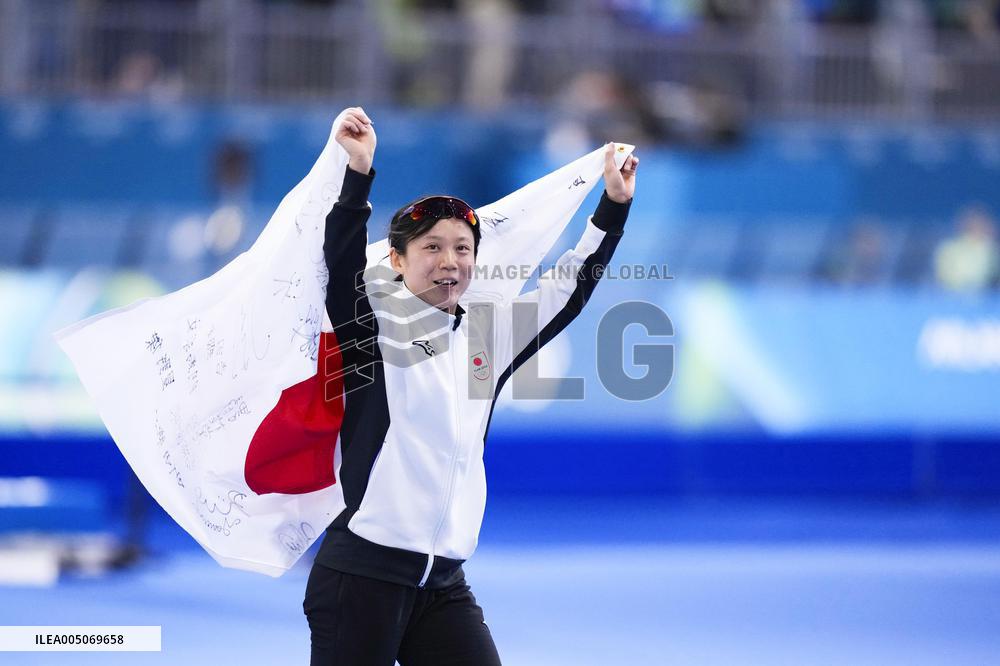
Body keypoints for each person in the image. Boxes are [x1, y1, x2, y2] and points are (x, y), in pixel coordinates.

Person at [303, 107, 638, 665]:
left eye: (462, 248)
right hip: (362, 580)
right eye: (431, 247)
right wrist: (358, 172)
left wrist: (613, 207)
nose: (449, 260)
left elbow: (568, 289)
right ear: (397, 260)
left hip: (442, 587)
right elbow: (340, 264)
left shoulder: (488, 338)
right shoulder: (372, 334)